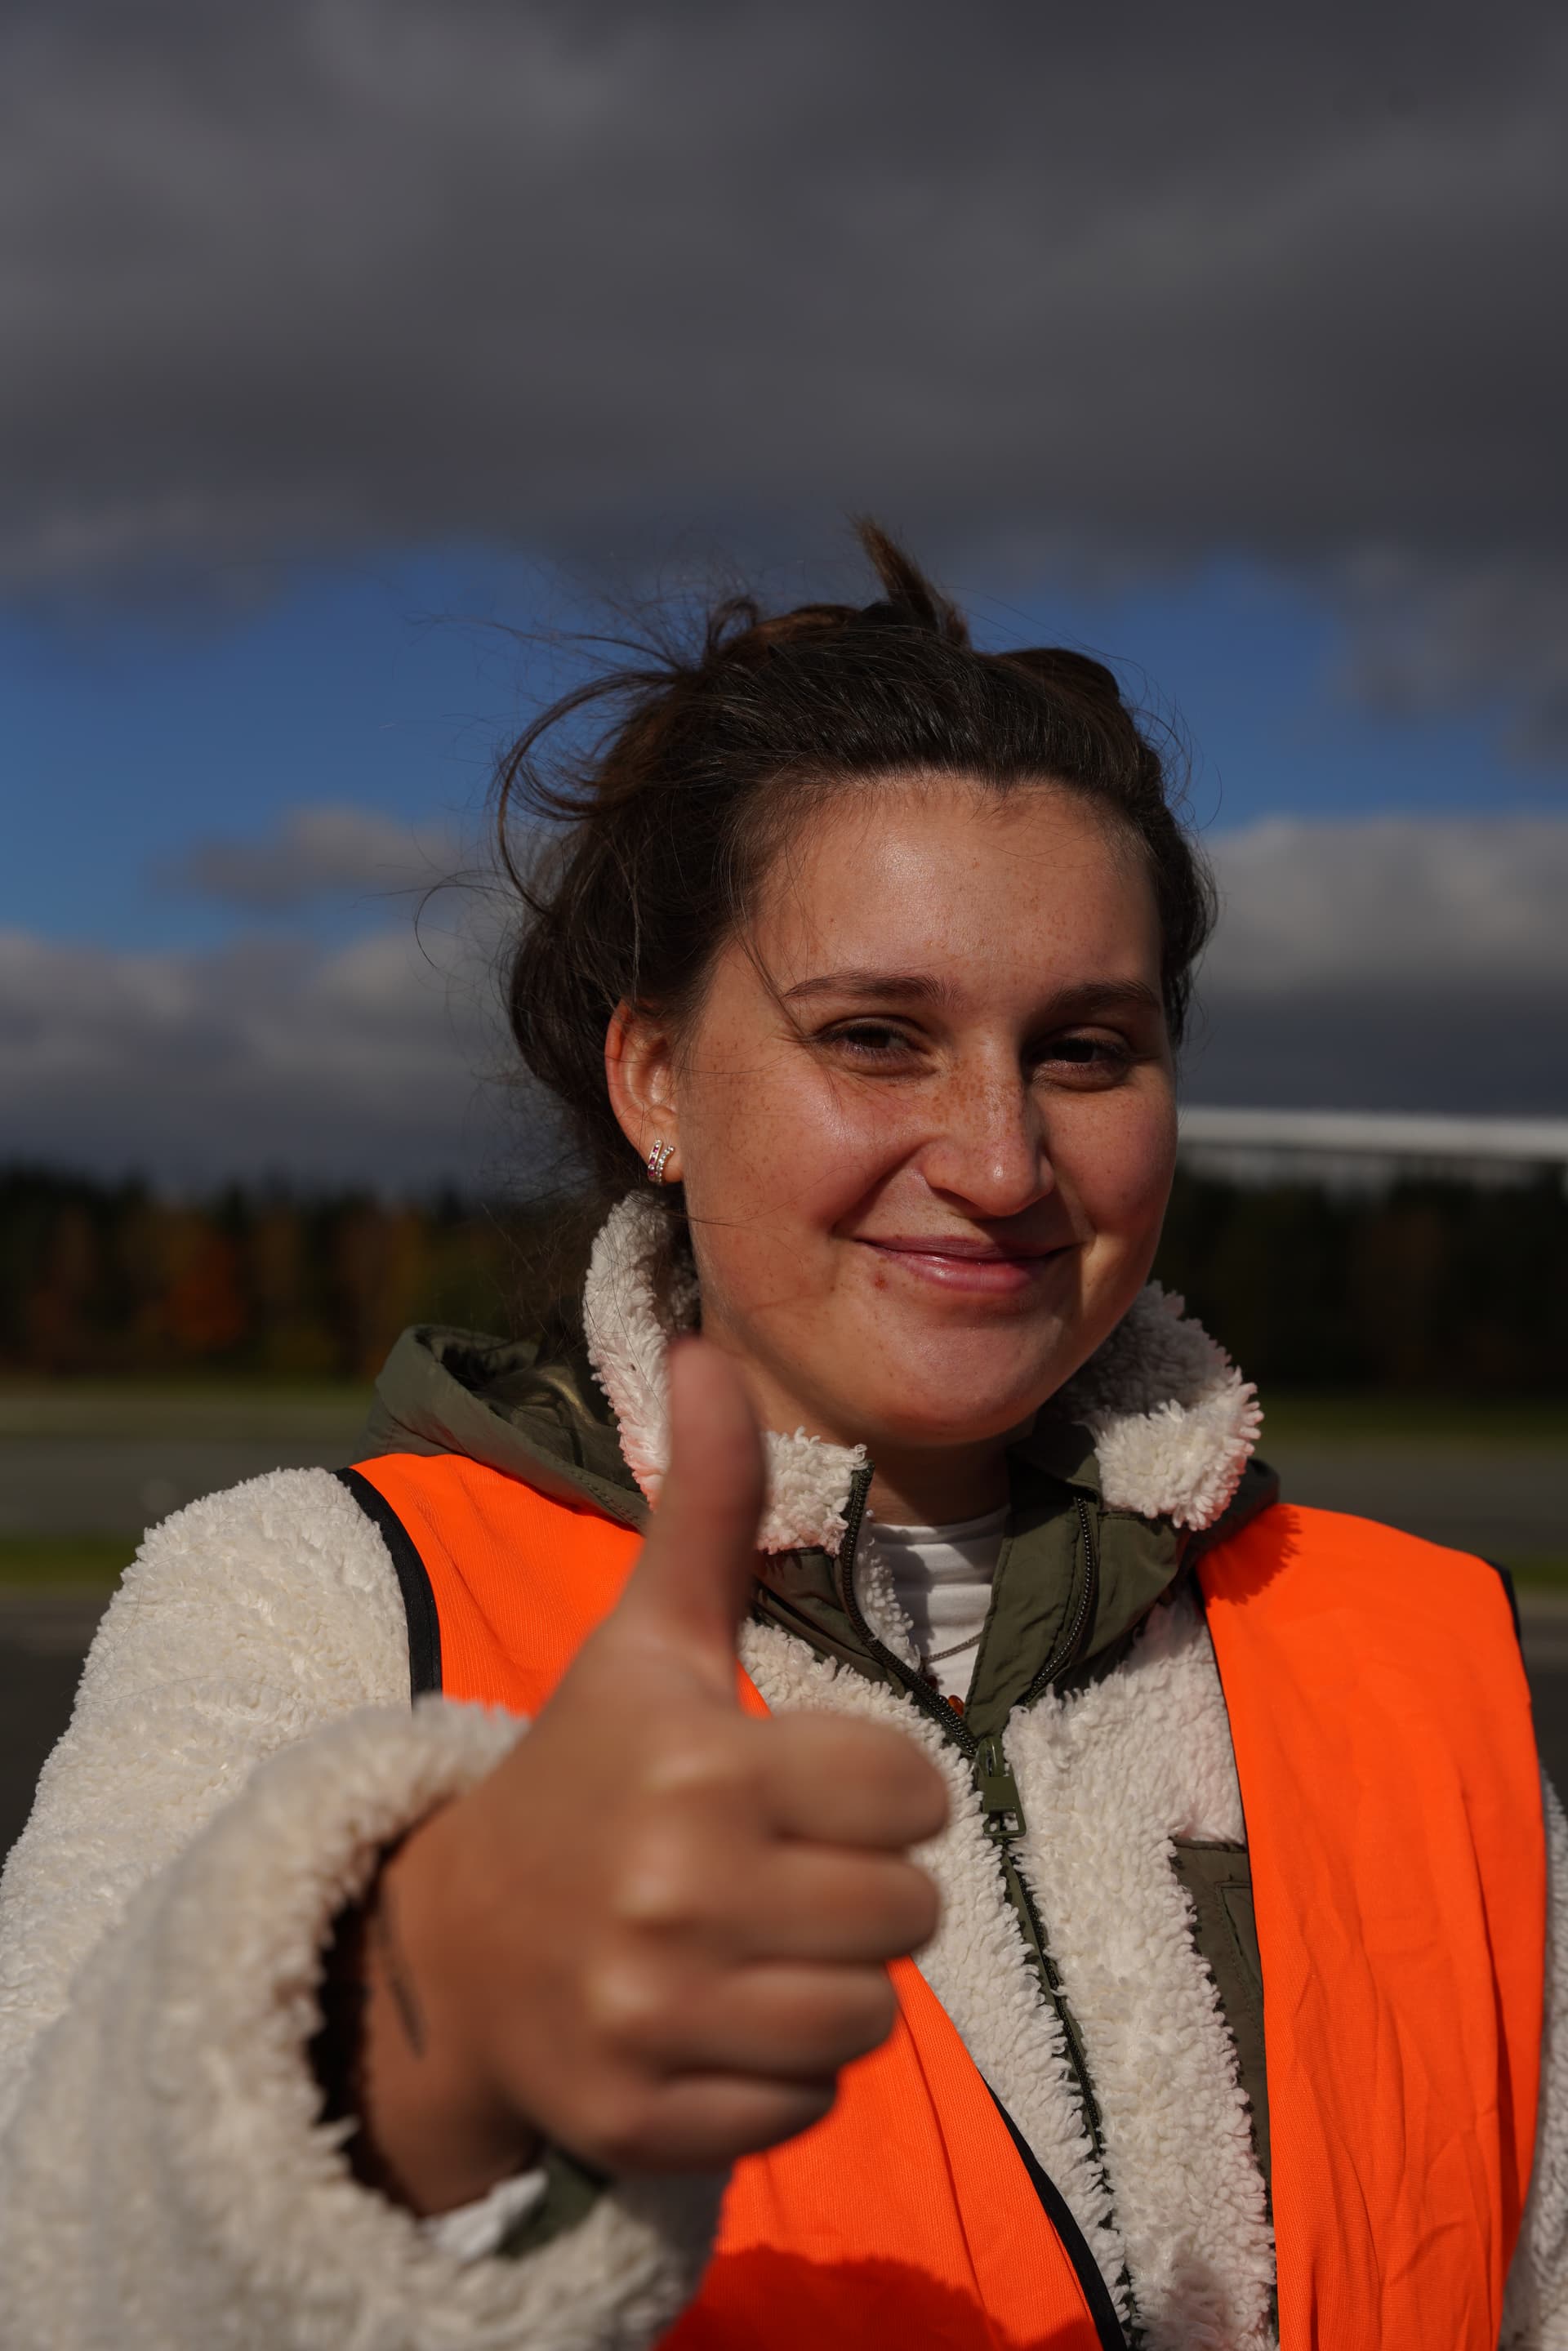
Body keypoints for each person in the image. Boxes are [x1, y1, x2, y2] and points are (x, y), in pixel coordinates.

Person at [0, 527, 1560, 2351]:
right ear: (654, 1076)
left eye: (1084, 1050)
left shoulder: (1420, 1650)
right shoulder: (325, 1605)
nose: (996, 1161)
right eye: (879, 1035)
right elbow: (53, 2252)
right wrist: (420, 2030)